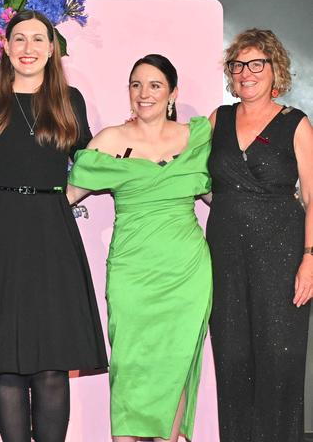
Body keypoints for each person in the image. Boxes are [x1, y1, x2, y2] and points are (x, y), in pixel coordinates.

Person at [0, 10, 108, 442]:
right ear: (6, 47)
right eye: (19, 39)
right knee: (6, 361)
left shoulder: (69, 100)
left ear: (52, 48)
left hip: (51, 233)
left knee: (52, 362)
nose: (28, 48)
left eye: (38, 39)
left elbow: (91, 161)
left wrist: (65, 195)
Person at [67, 54, 212, 442]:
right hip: (132, 271)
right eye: (136, 84)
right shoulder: (111, 139)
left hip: (187, 272)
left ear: (172, 93)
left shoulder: (197, 139)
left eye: (154, 85)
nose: (143, 93)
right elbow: (66, 196)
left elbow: (222, 195)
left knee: (176, 364)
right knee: (130, 365)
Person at [206, 28, 313, 442]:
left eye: (256, 64)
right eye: (238, 65)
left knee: (278, 358)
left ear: (274, 70)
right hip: (225, 253)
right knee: (232, 357)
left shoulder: (296, 124)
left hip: (282, 254)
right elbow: (190, 170)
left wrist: (310, 257)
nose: (246, 73)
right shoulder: (220, 118)